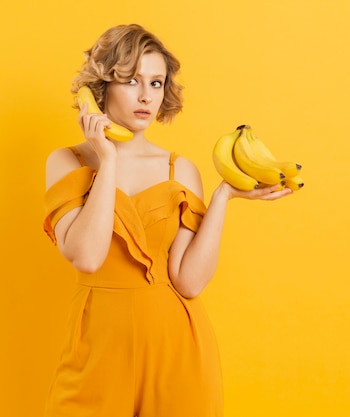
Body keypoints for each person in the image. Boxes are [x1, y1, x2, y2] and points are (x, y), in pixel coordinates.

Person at [42, 23, 291, 417]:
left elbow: (188, 282)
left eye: (156, 83)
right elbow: (87, 257)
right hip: (96, 351)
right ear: (102, 86)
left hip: (177, 350)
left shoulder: (180, 169)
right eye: (131, 80)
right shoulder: (66, 161)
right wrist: (107, 159)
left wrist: (223, 196)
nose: (146, 96)